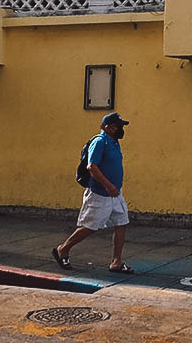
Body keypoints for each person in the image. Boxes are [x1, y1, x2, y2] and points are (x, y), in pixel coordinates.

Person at [52, 112, 134, 274]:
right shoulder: (99, 142)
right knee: (90, 226)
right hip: (100, 194)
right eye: (119, 127)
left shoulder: (114, 142)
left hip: (116, 193)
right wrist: (108, 186)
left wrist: (114, 188)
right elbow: (92, 167)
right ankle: (63, 249)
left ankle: (116, 262)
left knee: (121, 224)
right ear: (108, 128)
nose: (121, 130)